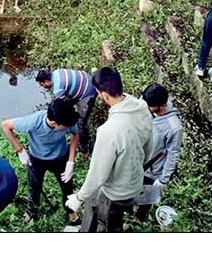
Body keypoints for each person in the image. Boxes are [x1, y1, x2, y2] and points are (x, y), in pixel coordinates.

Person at [65, 67, 153, 233]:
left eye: (98, 93)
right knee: (93, 201)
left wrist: (78, 197)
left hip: (116, 192)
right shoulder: (141, 107)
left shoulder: (109, 131)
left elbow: (98, 175)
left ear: (103, 94)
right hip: (134, 180)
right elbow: (149, 146)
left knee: (109, 223)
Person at [1, 99, 82, 223]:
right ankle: (32, 210)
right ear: (55, 123)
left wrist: (70, 161)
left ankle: (70, 210)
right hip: (37, 159)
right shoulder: (33, 122)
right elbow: (5, 125)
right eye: (65, 127)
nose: (68, 128)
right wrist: (20, 150)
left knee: (67, 187)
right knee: (34, 187)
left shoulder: (67, 119)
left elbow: (75, 135)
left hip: (60, 157)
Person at [135, 83, 184, 221]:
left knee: (147, 197)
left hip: (152, 170)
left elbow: (173, 154)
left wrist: (163, 179)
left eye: (149, 106)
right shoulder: (147, 104)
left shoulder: (174, 127)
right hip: (138, 160)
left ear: (161, 105)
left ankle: (140, 218)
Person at [36, 68, 98, 156]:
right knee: (69, 102)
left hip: (89, 92)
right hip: (88, 78)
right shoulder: (57, 72)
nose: (43, 87)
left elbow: (60, 107)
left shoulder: (58, 88)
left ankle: (84, 150)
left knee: (81, 123)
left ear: (46, 81)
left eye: (42, 84)